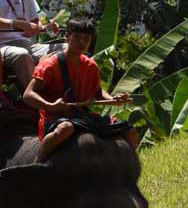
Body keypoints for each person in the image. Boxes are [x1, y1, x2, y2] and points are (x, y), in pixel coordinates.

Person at [23, 15, 136, 160]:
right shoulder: (50, 65)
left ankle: (128, 167)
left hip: (82, 117)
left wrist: (113, 99)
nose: (82, 42)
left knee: (129, 131)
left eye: (86, 39)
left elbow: (98, 92)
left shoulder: (91, 65)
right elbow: (28, 94)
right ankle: (37, 163)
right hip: (55, 118)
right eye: (77, 37)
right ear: (67, 37)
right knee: (66, 128)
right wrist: (50, 106)